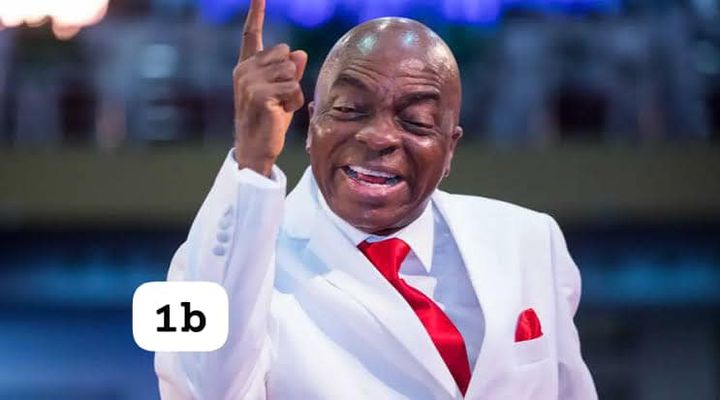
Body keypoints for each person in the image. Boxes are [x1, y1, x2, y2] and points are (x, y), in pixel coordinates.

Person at [155, 0, 598, 398]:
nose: (380, 137)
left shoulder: (531, 240)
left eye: (417, 121)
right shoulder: (200, 268)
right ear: (311, 125)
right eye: (350, 110)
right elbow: (201, 391)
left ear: (450, 148)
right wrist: (252, 163)